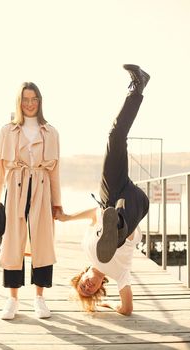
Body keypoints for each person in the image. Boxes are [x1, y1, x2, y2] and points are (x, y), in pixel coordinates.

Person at [58, 64, 150, 315]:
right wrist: (114, 305)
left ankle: (137, 87)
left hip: (110, 196)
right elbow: (128, 309)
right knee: (120, 223)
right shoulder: (119, 274)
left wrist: (66, 218)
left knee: (114, 137)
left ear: (82, 275)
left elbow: (92, 215)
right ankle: (117, 230)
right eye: (91, 290)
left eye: (83, 286)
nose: (88, 286)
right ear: (100, 286)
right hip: (135, 204)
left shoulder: (87, 248)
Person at [0, 82, 63, 320]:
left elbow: (55, 170)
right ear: (19, 102)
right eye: (25, 99)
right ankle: (12, 299)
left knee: (42, 242)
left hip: (41, 187)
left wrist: (57, 202)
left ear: (40, 102)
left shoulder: (51, 132)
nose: (29, 104)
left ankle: (39, 299)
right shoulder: (7, 130)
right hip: (15, 187)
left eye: (34, 99)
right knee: (12, 242)